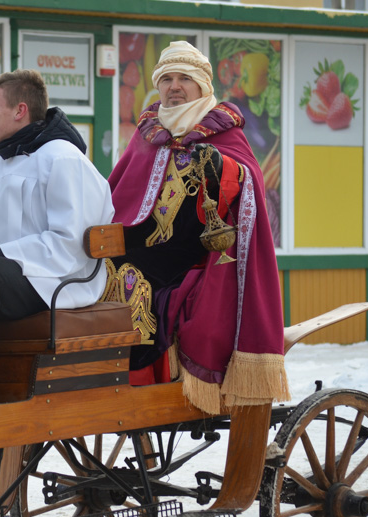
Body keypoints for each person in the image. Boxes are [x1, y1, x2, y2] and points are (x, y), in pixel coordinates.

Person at [106, 41, 289, 414]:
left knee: (134, 282)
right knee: (97, 272)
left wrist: (222, 168)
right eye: (167, 79)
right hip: (144, 244)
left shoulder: (224, 131)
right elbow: (120, 191)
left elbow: (249, 182)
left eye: (184, 79)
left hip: (199, 254)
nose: (174, 87)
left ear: (203, 86)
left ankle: (140, 380)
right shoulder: (148, 134)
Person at [0, 69, 114, 405]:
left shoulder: (62, 158)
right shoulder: (0, 163)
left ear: (20, 110)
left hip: (59, 279)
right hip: (18, 273)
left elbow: (69, 243)